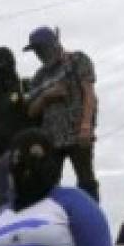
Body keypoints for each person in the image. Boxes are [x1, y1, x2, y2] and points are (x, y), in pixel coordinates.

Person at [24, 26, 100, 201]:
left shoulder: (77, 60)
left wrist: (86, 126)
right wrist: (46, 96)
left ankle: (92, 219)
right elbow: (31, 111)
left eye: (41, 48)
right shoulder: (39, 76)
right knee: (48, 184)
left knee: (86, 180)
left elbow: (89, 94)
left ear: (53, 44)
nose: (39, 54)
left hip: (77, 133)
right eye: (35, 50)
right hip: (50, 138)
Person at [0, 46, 34, 204]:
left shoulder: (26, 85)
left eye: (1, 63)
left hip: (26, 155)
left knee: (32, 198)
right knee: (1, 203)